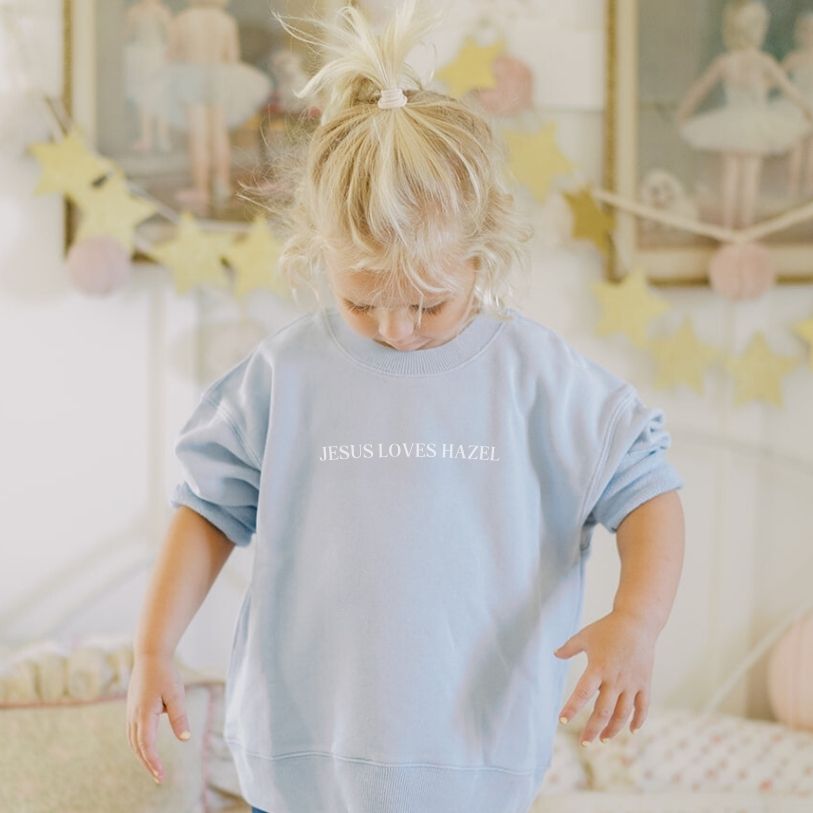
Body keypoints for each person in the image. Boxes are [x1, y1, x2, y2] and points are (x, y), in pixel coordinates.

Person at [126, 3, 686, 812]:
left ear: (481, 253)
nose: (393, 328)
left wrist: (635, 620)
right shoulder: (285, 375)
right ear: (320, 254)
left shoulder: (535, 377)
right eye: (360, 300)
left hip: (477, 758)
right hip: (298, 754)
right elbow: (204, 509)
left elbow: (646, 487)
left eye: (427, 304)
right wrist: (153, 647)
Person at [676, 0, 813, 229]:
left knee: (730, 176)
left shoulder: (725, 63)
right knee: (749, 176)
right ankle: (745, 226)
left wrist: (683, 112)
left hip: (731, 123)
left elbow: (700, 88)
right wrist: (806, 109)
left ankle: (728, 224)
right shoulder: (764, 62)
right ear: (758, 30)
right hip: (754, 126)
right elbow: (790, 91)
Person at [164, 0, 271, 208]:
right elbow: (232, 57)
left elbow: (173, 54)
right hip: (219, 76)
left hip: (192, 75)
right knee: (219, 133)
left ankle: (201, 189)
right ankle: (222, 184)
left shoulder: (182, 20)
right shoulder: (226, 21)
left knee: (198, 135)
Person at [772, 11, 813, 199]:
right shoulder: (794, 58)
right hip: (796, 107)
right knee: (795, 151)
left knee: (811, 152)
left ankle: (808, 191)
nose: (809, 36)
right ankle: (792, 191)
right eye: (805, 32)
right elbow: (775, 77)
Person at [124, 0, 173, 153]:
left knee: (148, 98)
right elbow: (171, 36)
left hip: (147, 57)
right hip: (155, 56)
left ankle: (150, 138)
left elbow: (126, 34)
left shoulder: (136, 11)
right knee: (156, 98)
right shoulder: (161, 11)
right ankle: (158, 138)